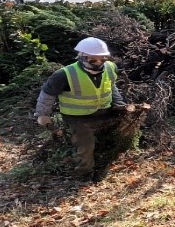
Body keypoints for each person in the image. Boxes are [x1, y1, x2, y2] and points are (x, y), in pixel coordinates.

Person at [34, 37, 132, 179]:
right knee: (85, 145)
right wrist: (43, 114)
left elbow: (111, 87)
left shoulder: (110, 68)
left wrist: (119, 104)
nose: (98, 63)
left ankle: (105, 162)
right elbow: (47, 94)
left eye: (102, 59)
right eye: (93, 60)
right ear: (82, 57)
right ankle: (84, 174)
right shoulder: (64, 75)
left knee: (117, 135)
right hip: (78, 118)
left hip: (104, 112)